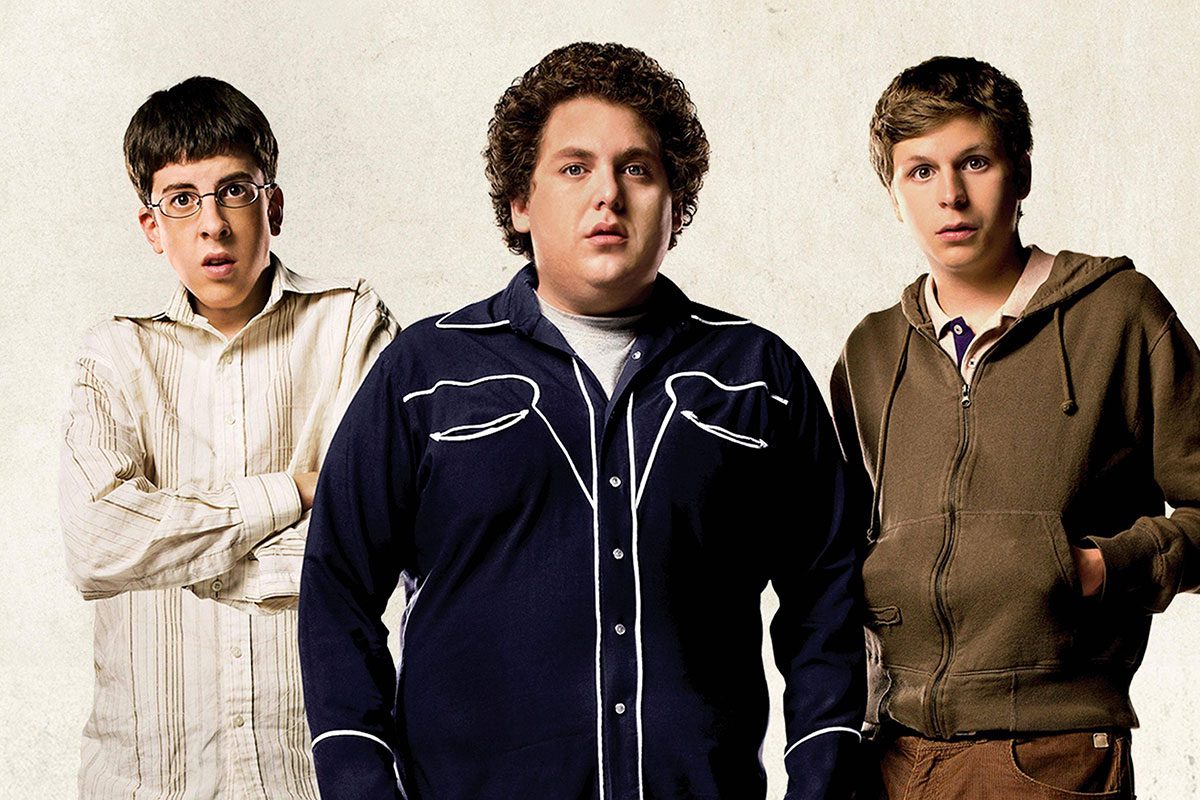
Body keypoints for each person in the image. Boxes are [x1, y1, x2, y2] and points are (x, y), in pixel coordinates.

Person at [299, 41, 864, 800]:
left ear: (675, 202)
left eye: (637, 168)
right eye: (574, 168)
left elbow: (826, 598)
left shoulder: (760, 376)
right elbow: (337, 587)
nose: (609, 194)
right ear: (520, 202)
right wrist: (361, 782)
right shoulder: (423, 374)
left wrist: (821, 780)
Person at [831, 55, 1200, 799]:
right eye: (921, 172)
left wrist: (1101, 566)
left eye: (974, 161)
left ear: (1020, 173)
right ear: (893, 192)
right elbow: (838, 551)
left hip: (1050, 752)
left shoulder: (1120, 316)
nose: (952, 196)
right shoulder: (870, 353)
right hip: (893, 757)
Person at [59, 76, 396, 799]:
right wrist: (294, 492)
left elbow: (373, 536)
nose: (211, 222)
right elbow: (97, 546)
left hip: (314, 775)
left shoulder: (349, 324)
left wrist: (173, 553)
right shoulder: (115, 354)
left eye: (234, 190)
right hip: (148, 782)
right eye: (181, 199)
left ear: (271, 204)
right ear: (152, 226)